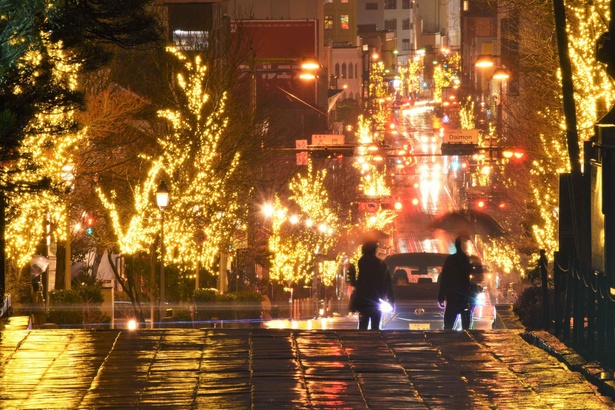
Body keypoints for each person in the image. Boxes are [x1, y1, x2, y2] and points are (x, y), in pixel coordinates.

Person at [354, 241, 395, 330]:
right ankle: (375, 342)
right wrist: (391, 299)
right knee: (375, 326)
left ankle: (362, 343)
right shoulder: (380, 264)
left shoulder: (361, 264)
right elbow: (387, 283)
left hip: (363, 301)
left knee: (363, 326)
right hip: (376, 300)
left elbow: (358, 283)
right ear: (374, 250)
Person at [437, 236, 473, 330]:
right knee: (465, 326)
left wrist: (441, 296)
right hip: (463, 297)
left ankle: (448, 339)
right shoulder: (466, 260)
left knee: (449, 325)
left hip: (452, 296)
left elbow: (444, 279)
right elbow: (468, 280)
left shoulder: (450, 260)